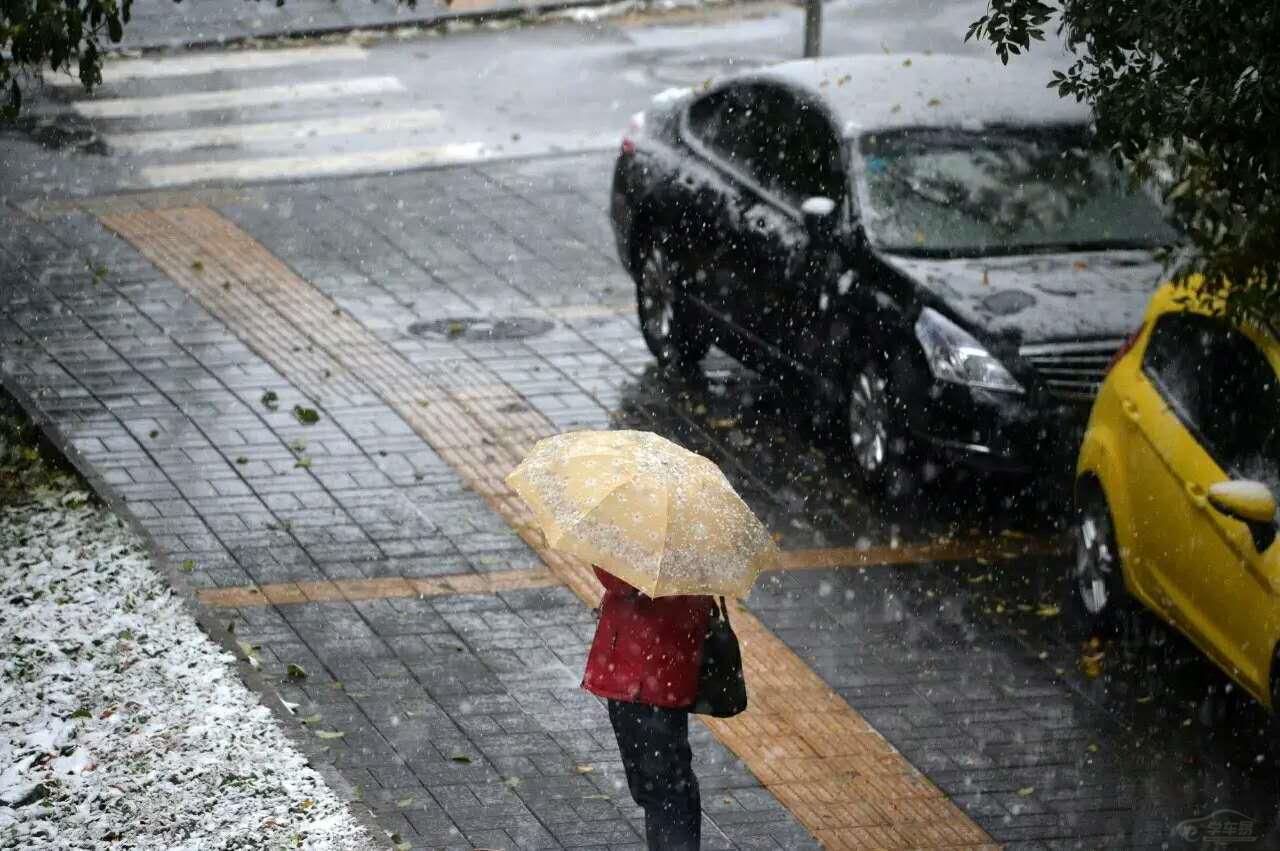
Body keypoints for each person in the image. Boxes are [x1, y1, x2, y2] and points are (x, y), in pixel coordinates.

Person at [581, 565, 713, 851]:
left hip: (640, 677)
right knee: (673, 785)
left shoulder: (646, 540)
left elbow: (620, 581)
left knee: (660, 791)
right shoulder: (694, 539)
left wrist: (603, 549)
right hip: (670, 672)